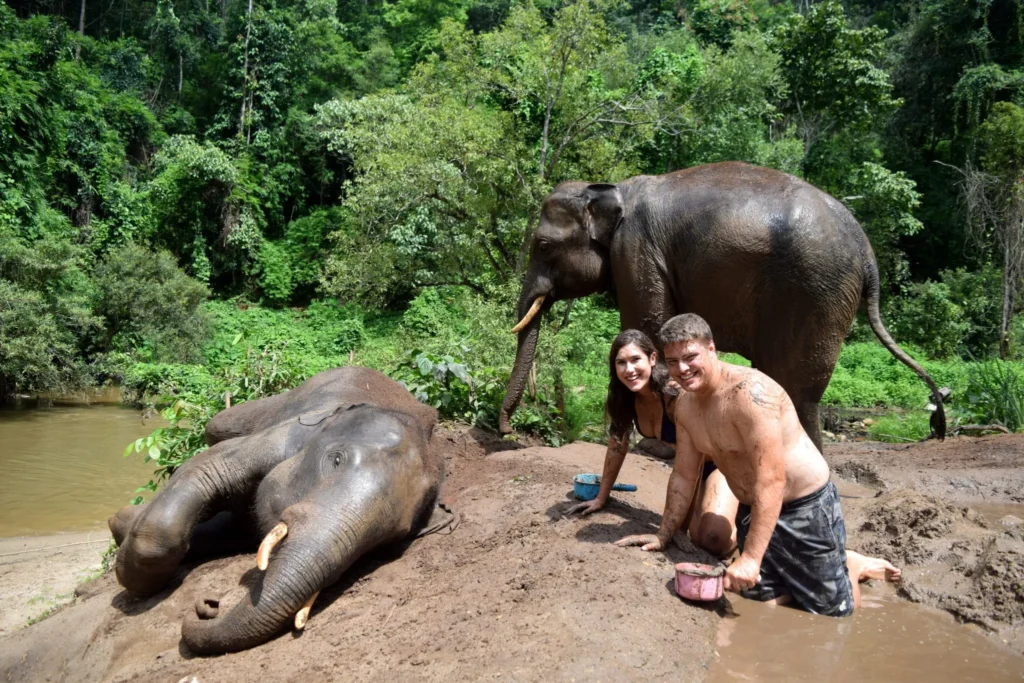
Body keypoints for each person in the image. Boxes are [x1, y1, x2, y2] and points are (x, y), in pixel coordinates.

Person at [615, 314, 899, 614]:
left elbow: (772, 480)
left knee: (834, 613)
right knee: (758, 599)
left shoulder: (750, 394)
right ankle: (809, 571)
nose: (682, 369)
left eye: (690, 357)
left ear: (711, 348)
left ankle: (851, 566)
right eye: (673, 362)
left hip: (804, 506)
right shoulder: (685, 405)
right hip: (754, 508)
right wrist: (664, 534)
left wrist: (751, 558)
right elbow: (684, 475)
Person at [567, 329, 739, 557]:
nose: (629, 369)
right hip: (690, 470)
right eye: (621, 363)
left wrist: (676, 529)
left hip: (721, 465)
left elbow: (692, 464)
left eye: (635, 359)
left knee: (712, 539)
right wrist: (601, 496)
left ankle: (746, 518)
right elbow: (617, 445)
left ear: (652, 358)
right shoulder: (624, 398)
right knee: (699, 537)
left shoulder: (674, 395)